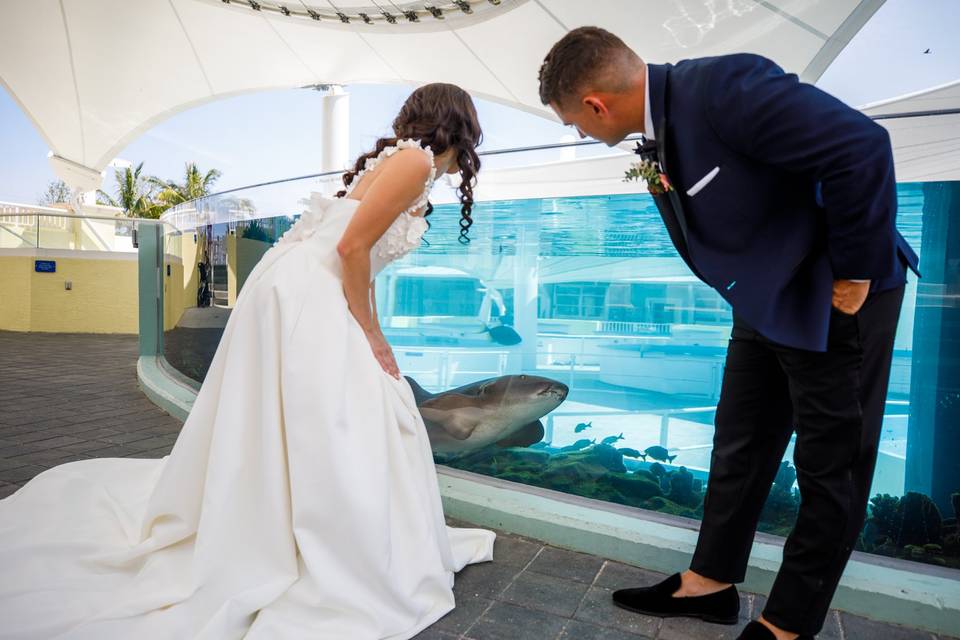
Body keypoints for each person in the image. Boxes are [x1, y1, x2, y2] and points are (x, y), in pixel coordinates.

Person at [0, 82, 495, 639]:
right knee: (349, 410)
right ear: (463, 125)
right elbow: (352, 249)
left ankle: (297, 521)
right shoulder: (413, 162)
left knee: (330, 413)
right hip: (312, 291)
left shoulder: (403, 161)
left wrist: (365, 322)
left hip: (299, 285)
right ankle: (325, 539)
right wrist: (374, 334)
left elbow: (354, 249)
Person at [537, 27, 919, 640]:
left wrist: (855, 270)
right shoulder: (660, 126)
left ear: (595, 106)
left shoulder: (723, 86)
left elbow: (861, 145)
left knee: (832, 466)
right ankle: (710, 583)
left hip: (831, 299)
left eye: (574, 124)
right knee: (738, 442)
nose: (581, 134)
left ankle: (788, 624)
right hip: (764, 303)